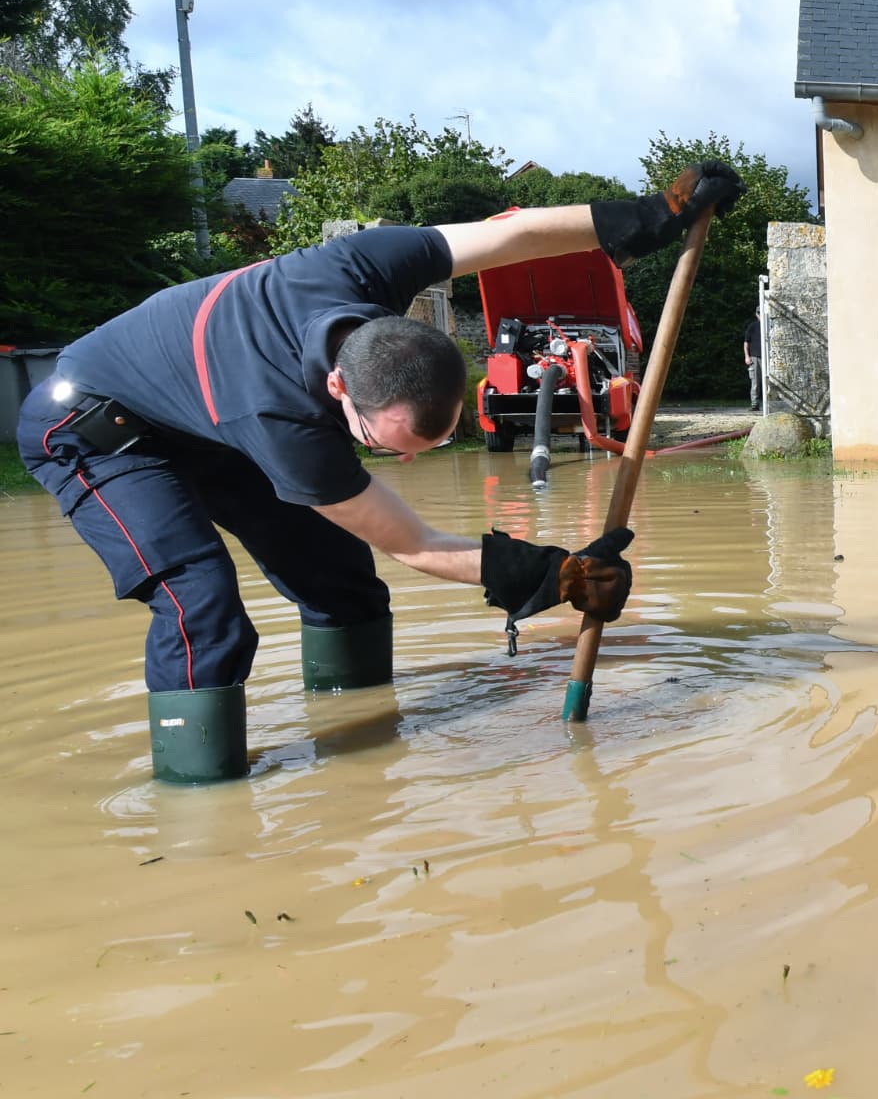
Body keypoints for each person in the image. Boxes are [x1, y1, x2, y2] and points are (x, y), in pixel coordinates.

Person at [16, 160, 747, 783]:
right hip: (95, 429)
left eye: (428, 445)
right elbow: (413, 543)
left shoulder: (362, 265)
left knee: (341, 580)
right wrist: (558, 574)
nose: (405, 462)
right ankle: (198, 793)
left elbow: (509, 234)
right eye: (386, 445)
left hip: (203, 420)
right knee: (200, 603)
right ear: (339, 389)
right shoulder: (282, 422)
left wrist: (653, 214)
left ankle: (357, 749)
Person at [742, 314, 763, 411]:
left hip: (769, 357)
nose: (761, 315)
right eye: (759, 313)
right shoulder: (753, 326)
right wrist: (747, 356)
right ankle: (755, 404)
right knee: (755, 382)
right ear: (756, 314)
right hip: (755, 358)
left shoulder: (770, 325)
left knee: (771, 382)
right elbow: (746, 342)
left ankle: (772, 404)